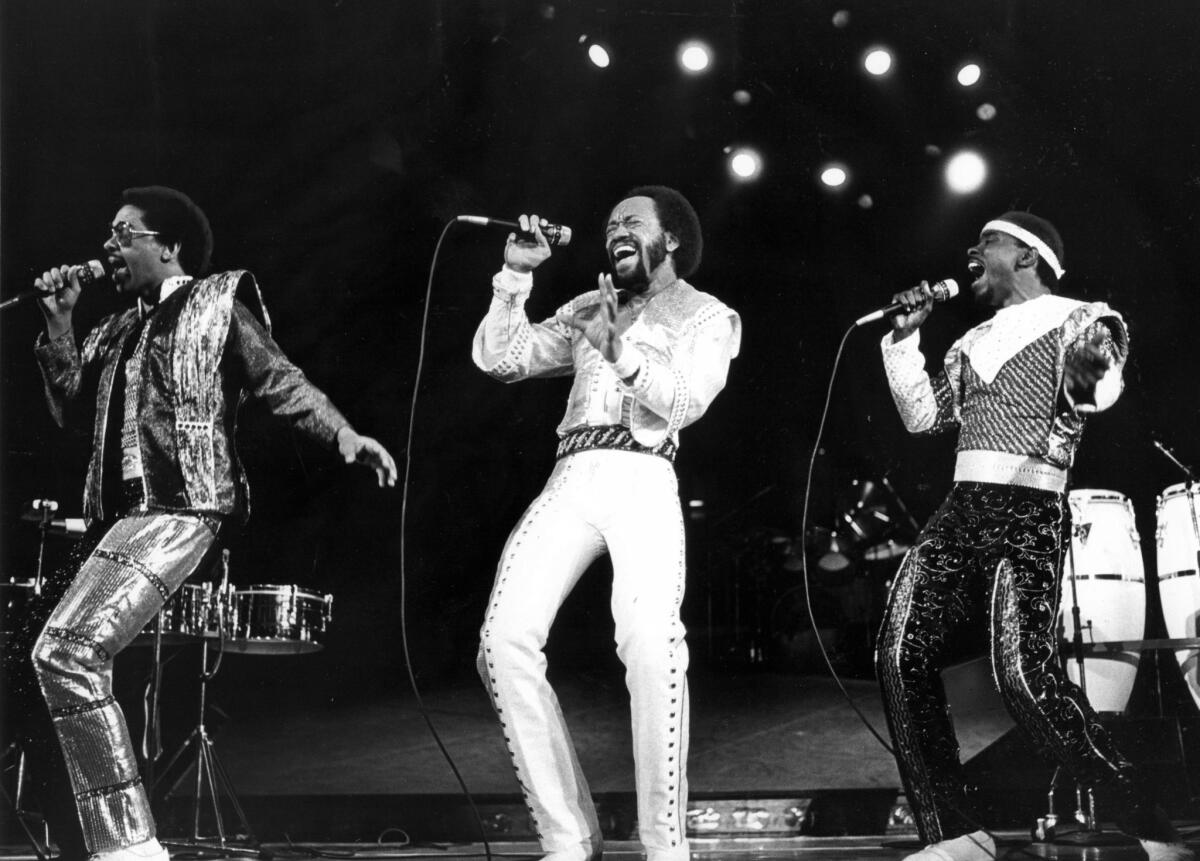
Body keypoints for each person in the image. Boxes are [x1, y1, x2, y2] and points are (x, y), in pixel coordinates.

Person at [23, 185, 397, 861]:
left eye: (122, 234)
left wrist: (342, 434)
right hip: (118, 521)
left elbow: (279, 378)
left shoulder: (218, 300)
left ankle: (129, 848)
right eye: (107, 235)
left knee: (66, 649)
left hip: (182, 506)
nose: (107, 247)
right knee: (76, 665)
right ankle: (108, 843)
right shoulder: (111, 330)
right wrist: (58, 322)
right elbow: (69, 413)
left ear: (167, 246)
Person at [876, 211, 1191, 861]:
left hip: (1029, 502)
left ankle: (1150, 823)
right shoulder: (972, 340)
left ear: (1026, 255)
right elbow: (924, 417)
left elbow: (1097, 391)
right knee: (899, 650)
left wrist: (1089, 365)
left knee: (1023, 676)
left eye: (986, 241)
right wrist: (904, 341)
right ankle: (956, 834)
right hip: (964, 504)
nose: (970, 249)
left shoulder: (1083, 316)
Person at [472, 186, 740, 861]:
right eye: (610, 222)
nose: (614, 229)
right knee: (502, 641)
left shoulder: (708, 315)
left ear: (670, 238)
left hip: (644, 475)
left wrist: (621, 352)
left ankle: (665, 846)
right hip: (572, 474)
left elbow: (683, 400)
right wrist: (517, 276)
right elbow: (503, 360)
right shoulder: (590, 305)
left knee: (652, 643)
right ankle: (567, 839)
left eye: (631, 221)